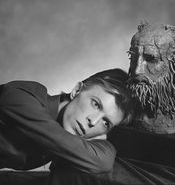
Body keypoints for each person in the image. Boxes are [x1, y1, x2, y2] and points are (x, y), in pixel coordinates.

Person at [0, 68, 133, 174]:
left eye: (106, 123)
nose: (93, 121)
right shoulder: (23, 95)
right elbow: (54, 137)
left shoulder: (66, 137)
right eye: (96, 104)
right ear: (77, 90)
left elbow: (103, 161)